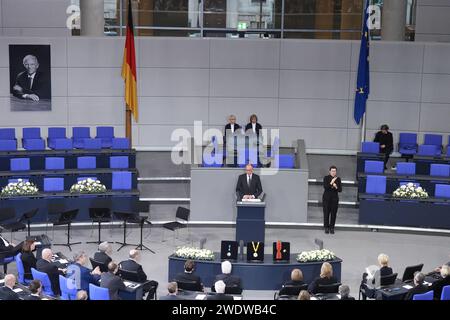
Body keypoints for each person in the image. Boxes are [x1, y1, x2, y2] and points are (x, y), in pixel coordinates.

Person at [322, 165, 342, 234]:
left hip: (334, 199)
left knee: (333, 214)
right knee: (326, 213)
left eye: (335, 171)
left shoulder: (338, 179)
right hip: (326, 199)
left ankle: (332, 227)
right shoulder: (326, 178)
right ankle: (326, 227)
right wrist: (331, 182)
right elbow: (325, 187)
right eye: (332, 171)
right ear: (329, 171)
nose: (334, 172)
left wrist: (336, 186)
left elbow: (340, 190)